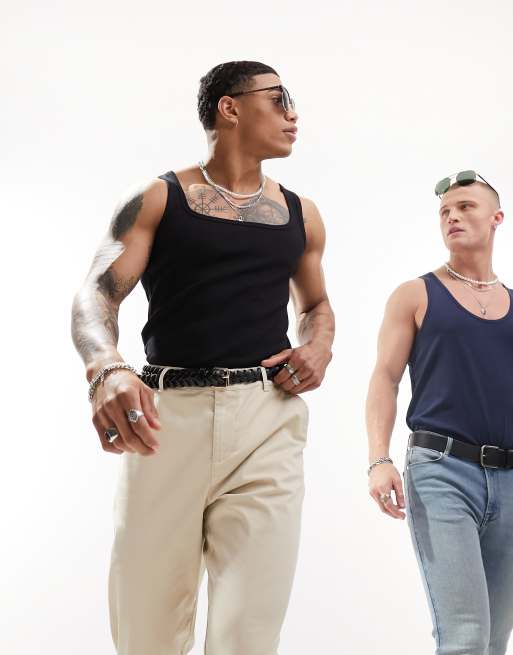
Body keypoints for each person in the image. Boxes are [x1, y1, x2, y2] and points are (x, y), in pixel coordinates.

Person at [71, 60, 335, 655]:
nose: (293, 113)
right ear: (230, 107)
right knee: (147, 631)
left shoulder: (302, 214)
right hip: (165, 421)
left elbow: (317, 305)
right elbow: (96, 294)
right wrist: (105, 368)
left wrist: (319, 346)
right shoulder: (157, 198)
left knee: (249, 632)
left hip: (269, 420)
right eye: (279, 98)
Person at [365, 169, 513, 655]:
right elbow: (385, 378)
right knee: (465, 636)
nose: (452, 217)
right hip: (441, 472)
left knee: (493, 641)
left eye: (466, 207)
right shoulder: (416, 294)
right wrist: (379, 458)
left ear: (496, 218)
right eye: (445, 211)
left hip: (510, 479)